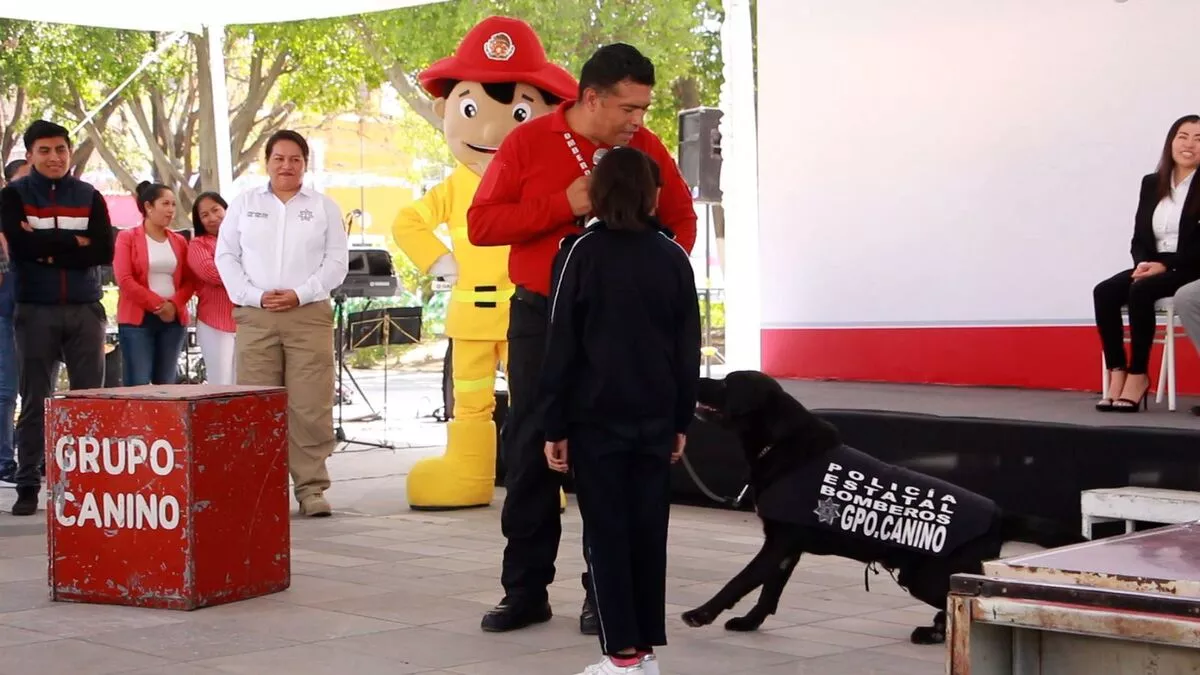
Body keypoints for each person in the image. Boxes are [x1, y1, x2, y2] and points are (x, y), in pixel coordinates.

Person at [467, 42, 698, 635]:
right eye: (628, 108)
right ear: (590, 97)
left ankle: (606, 592)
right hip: (541, 317)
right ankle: (524, 590)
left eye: (644, 109)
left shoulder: (644, 149)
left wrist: (646, 286)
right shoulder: (527, 142)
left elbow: (682, 220)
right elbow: (483, 223)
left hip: (620, 329)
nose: (638, 122)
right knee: (531, 449)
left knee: (607, 457)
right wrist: (560, 204)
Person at [393, 15, 577, 510]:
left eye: (518, 113)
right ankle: (468, 474)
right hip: (471, 314)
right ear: (444, 108)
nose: (493, 130)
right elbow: (408, 222)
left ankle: (539, 484)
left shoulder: (540, 180)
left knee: (530, 401)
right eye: (471, 108)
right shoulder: (452, 186)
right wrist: (440, 261)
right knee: (469, 400)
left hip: (528, 312)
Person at [542, 147, 700, 675]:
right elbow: (687, 348)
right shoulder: (672, 255)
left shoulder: (579, 251)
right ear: (651, 194)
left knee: (605, 535)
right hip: (655, 418)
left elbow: (560, 343)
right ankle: (645, 651)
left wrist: (553, 425)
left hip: (595, 420)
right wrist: (681, 421)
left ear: (600, 192)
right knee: (648, 534)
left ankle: (621, 657)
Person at [215, 129, 349, 517]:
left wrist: (301, 293)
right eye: (279, 158)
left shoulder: (324, 207)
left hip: (308, 315)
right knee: (257, 404)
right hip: (256, 316)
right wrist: (254, 295)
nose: (286, 166)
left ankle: (311, 489)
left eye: (295, 159)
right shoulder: (243, 205)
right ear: (267, 162)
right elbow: (226, 256)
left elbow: (336, 263)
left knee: (310, 404)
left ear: (305, 164)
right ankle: (261, 488)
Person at [0, 119, 114, 516]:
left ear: (70, 152)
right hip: (35, 310)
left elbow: (103, 251)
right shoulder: (13, 196)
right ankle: (29, 484)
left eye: (61, 149)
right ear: (30, 155)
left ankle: (88, 483)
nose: (54, 157)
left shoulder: (88, 195)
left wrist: (48, 246)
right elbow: (21, 247)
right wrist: (73, 243)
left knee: (89, 403)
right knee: (35, 400)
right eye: (45, 151)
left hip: (85, 310)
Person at [1094, 114, 1200, 413]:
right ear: (1171, 142)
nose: (1189, 144)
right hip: (1154, 262)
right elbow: (1139, 236)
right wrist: (1143, 263)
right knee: (1105, 291)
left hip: (1191, 266)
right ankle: (1117, 372)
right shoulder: (1152, 183)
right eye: (1183, 136)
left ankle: (1138, 375)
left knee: (1141, 292)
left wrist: (1165, 267)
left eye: (1199, 139)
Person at [113, 182, 194, 385]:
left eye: (173, 205)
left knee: (166, 383)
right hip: (137, 321)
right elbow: (124, 279)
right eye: (165, 204)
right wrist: (158, 305)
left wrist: (173, 305)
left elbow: (190, 280)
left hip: (173, 320)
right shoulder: (127, 237)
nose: (171, 210)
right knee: (138, 383)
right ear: (149, 207)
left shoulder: (179, 241)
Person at [187, 192, 237, 385]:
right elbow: (212, 274)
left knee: (245, 384)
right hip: (215, 322)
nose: (212, 218)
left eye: (216, 210)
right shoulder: (198, 245)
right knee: (221, 383)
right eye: (205, 215)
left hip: (246, 323)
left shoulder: (244, 240)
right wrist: (243, 271)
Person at [0, 159, 29, 484]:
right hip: (6, 309)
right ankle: (5, 460)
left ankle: (30, 455)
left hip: (36, 308)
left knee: (35, 389)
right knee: (7, 389)